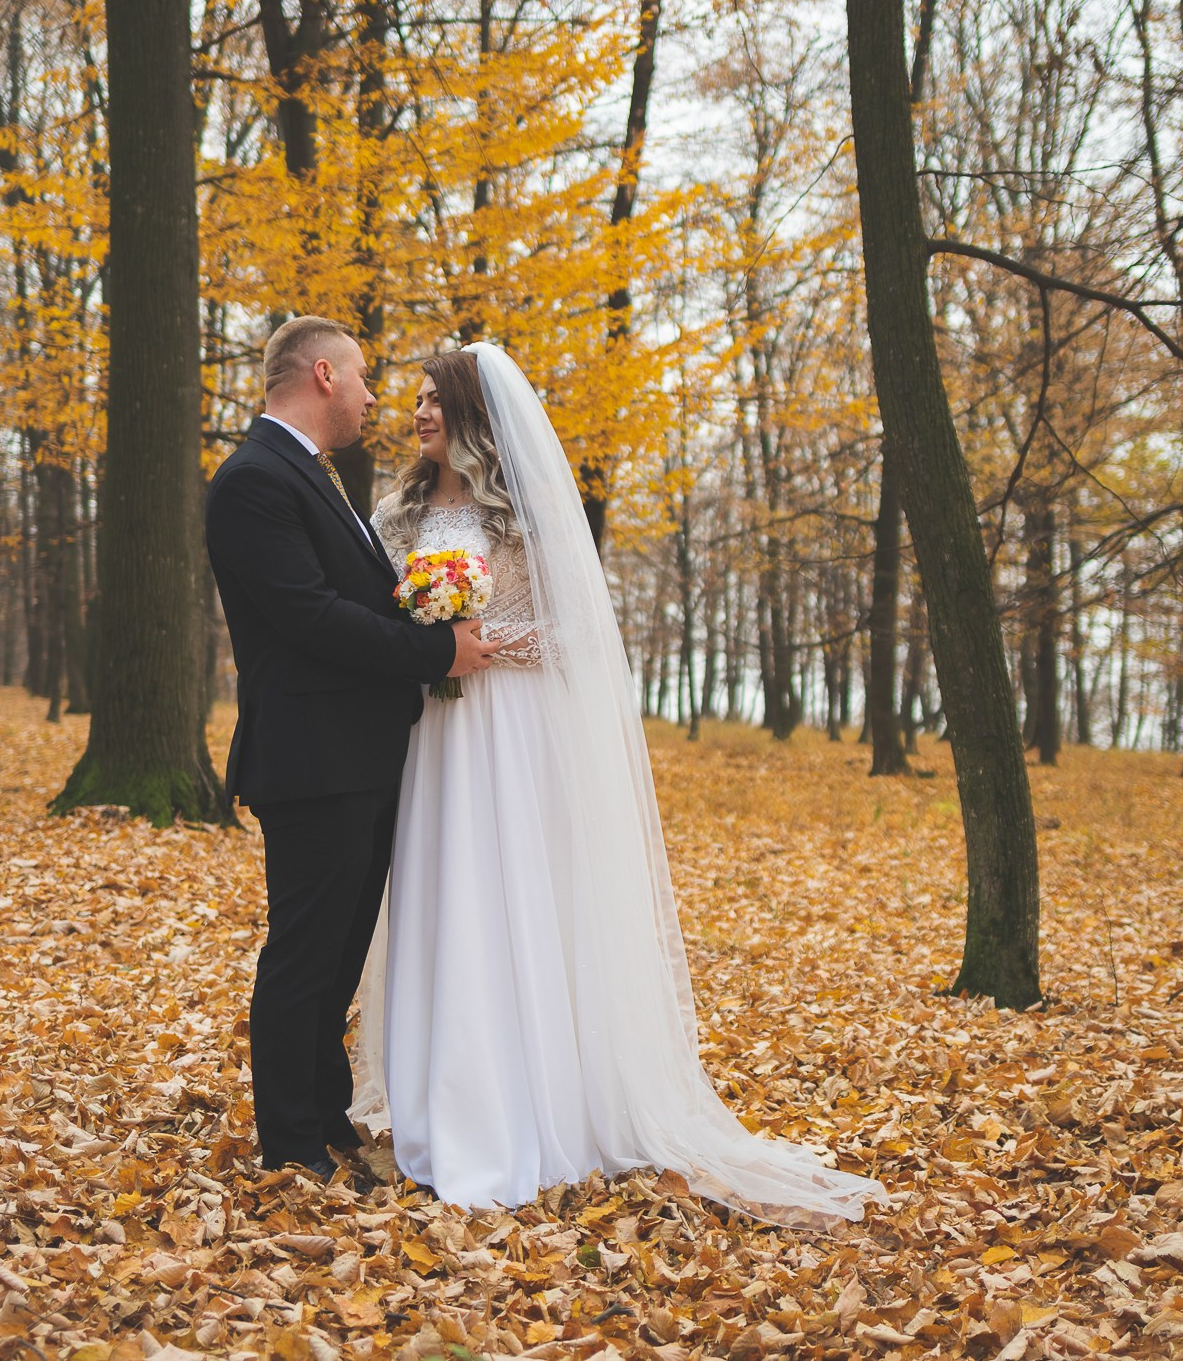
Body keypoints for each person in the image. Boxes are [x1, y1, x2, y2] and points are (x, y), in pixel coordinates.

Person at [346, 343, 888, 1229]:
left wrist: (484, 642)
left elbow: (574, 635)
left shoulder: (520, 516)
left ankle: (522, 1105)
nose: (418, 412)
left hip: (504, 734)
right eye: (412, 399)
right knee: (438, 897)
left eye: (435, 398)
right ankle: (437, 1100)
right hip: (433, 734)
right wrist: (430, 641)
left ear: (474, 413)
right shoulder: (396, 517)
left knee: (506, 897)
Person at [204, 317, 504, 1179]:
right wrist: (435, 652)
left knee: (337, 952)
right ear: (324, 376)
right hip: (311, 759)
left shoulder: (312, 475)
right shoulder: (254, 481)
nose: (377, 398)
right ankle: (290, 1143)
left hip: (359, 755)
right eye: (367, 379)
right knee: (304, 953)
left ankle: (327, 1117)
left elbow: (362, 597)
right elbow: (310, 619)